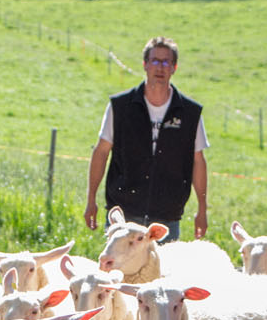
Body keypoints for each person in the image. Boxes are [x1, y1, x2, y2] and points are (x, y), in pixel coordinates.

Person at [84, 36, 209, 241]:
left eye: (166, 61)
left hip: (166, 218)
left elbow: (198, 161)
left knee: (164, 273)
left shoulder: (189, 113)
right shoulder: (120, 107)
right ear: (145, 65)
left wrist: (202, 209)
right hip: (123, 214)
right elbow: (101, 152)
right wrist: (91, 200)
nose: (160, 67)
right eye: (155, 61)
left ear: (174, 67)